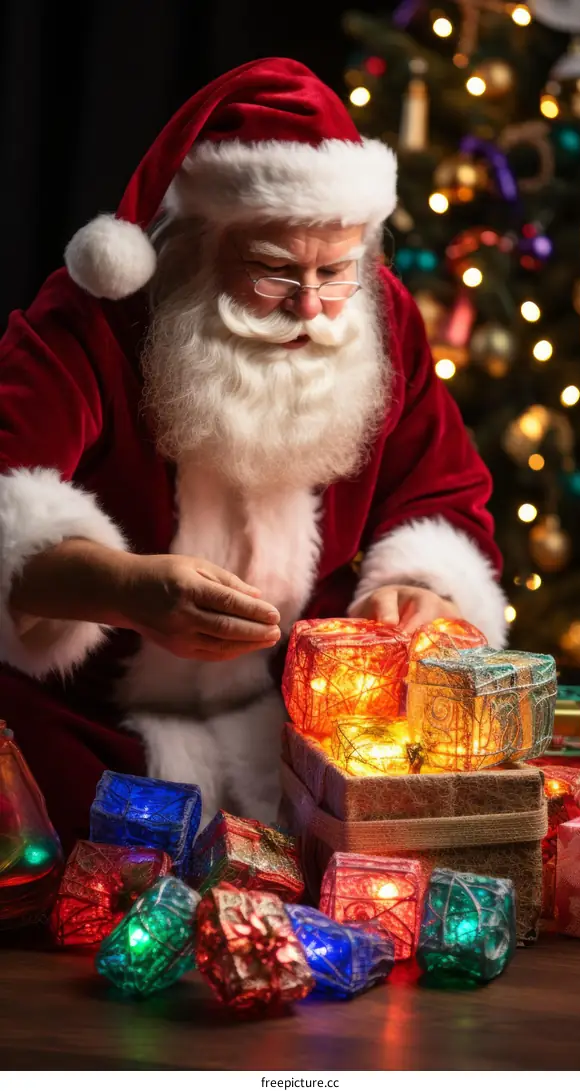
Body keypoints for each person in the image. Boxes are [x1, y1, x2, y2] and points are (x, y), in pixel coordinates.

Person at [0, 58, 507, 850]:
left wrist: (418, 591)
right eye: (273, 271)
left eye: (334, 271)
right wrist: (123, 586)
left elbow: (440, 489)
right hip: (94, 718)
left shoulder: (384, 315)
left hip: (300, 729)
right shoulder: (93, 320)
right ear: (202, 243)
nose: (311, 306)